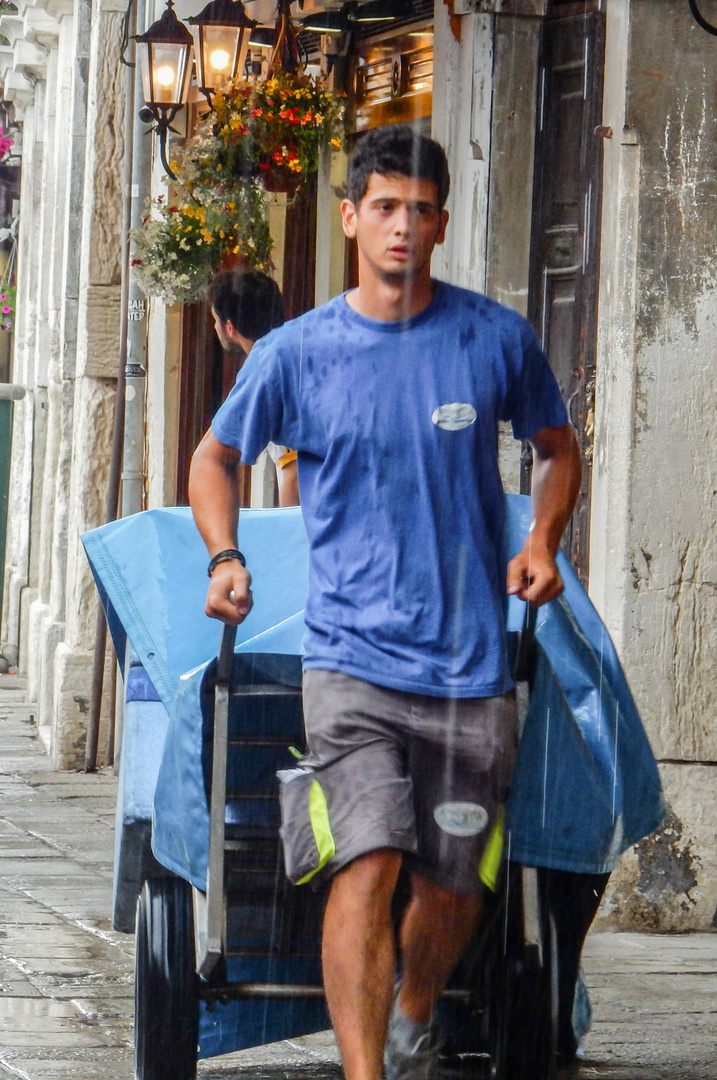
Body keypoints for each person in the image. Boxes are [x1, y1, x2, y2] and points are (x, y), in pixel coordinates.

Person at [188, 125, 582, 1080]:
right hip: (351, 665)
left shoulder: (494, 338)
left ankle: (412, 1013)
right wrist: (226, 553)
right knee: (363, 862)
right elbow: (216, 457)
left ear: (442, 222)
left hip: (469, 669)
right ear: (352, 218)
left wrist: (541, 541)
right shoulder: (297, 353)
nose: (403, 226)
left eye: (421, 209)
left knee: (454, 884)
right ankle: (366, 1074)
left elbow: (558, 447)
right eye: (386, 208)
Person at [207, 269, 297, 505]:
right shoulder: (293, 351)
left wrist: (291, 537)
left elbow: (294, 471)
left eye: (215, 320)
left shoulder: (270, 371)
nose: (214, 327)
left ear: (229, 327)